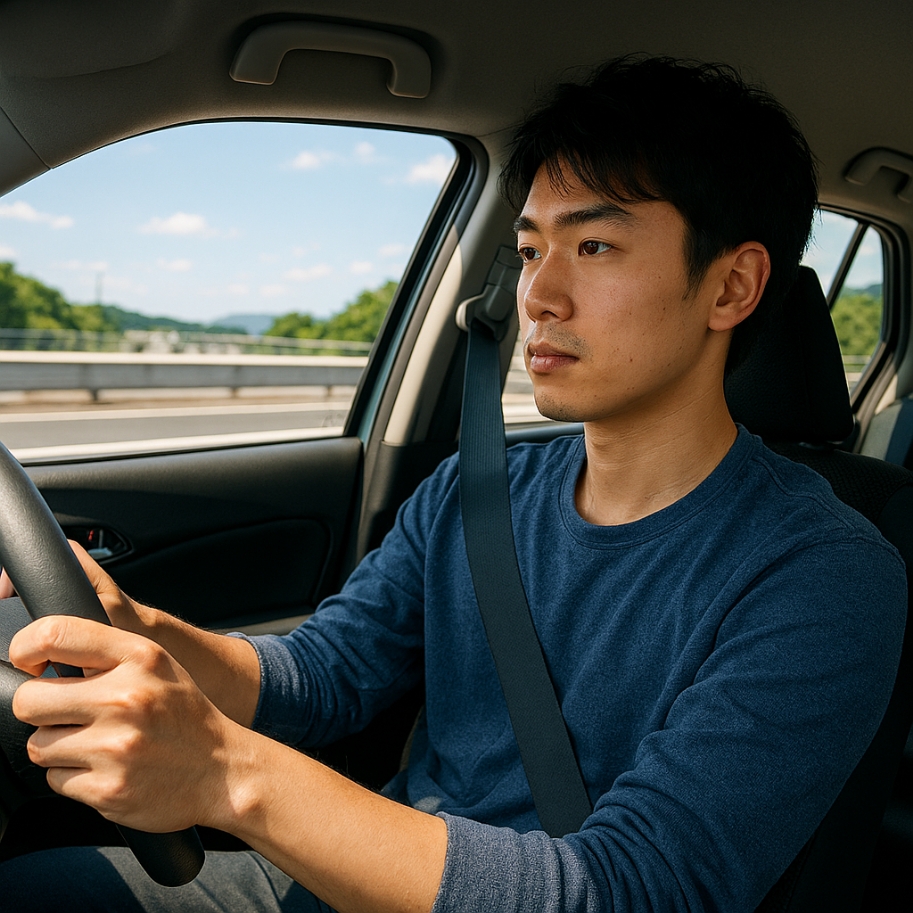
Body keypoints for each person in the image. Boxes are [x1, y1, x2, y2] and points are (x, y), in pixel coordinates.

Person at [0, 57, 906, 913]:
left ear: (731, 285)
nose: (539, 295)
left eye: (593, 245)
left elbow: (629, 890)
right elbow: (322, 678)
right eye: (529, 250)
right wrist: (138, 626)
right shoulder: (475, 492)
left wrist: (226, 775)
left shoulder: (823, 573)